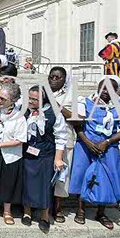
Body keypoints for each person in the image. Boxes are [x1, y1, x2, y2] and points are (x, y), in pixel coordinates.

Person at [69, 76, 120, 229]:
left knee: (105, 179)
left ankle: (101, 212)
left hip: (107, 147)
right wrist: (87, 142)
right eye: (103, 87)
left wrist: (107, 142)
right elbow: (78, 125)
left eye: (110, 88)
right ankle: (81, 210)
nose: (105, 91)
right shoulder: (85, 102)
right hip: (85, 145)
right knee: (82, 176)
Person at [22, 86, 69, 233]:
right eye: (29, 98)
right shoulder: (24, 111)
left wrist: (58, 158)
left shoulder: (54, 113)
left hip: (46, 153)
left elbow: (61, 136)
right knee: (27, 183)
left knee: (45, 186)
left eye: (35, 99)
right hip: (28, 153)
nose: (31, 101)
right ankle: (27, 211)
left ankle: (44, 215)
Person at [0, 82, 27, 225]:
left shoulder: (19, 117)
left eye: (3, 99)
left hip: (9, 154)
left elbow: (20, 140)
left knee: (9, 182)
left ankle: (7, 211)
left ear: (13, 100)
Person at [48, 66, 75, 223]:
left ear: (64, 80)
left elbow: (75, 117)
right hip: (45, 140)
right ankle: (43, 205)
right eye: (52, 77)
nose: (54, 80)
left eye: (58, 78)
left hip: (64, 140)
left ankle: (58, 208)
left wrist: (58, 107)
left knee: (62, 175)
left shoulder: (71, 95)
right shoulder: (42, 92)